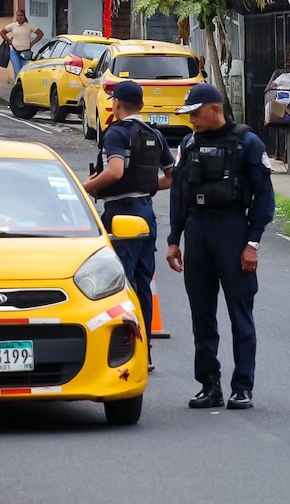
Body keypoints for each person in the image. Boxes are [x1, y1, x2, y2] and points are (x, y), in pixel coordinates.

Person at [165, 83, 275, 410]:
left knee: (240, 312)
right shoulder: (188, 143)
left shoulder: (247, 144)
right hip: (197, 231)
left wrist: (252, 243)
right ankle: (208, 384)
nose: (191, 120)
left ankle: (242, 386)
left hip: (232, 230)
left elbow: (264, 199)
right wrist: (174, 240)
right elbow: (178, 194)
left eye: (195, 113)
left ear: (214, 109)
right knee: (201, 314)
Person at [82, 80, 174, 373]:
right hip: (146, 213)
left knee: (122, 285)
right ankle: (144, 352)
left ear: (116, 104)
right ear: (142, 106)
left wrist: (85, 188)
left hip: (121, 214)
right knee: (143, 282)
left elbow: (115, 170)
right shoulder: (154, 135)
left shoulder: (116, 133)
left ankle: (128, 352)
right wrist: (146, 188)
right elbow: (171, 176)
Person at [0, 9, 43, 78]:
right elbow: (2, 32)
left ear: (24, 16)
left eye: (21, 15)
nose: (20, 17)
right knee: (17, 71)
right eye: (18, 15)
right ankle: (17, 88)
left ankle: (24, 88)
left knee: (25, 71)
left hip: (26, 53)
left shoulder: (29, 26)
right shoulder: (13, 25)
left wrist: (32, 43)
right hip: (14, 52)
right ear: (16, 17)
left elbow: (40, 33)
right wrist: (8, 40)